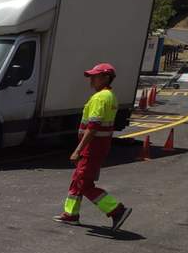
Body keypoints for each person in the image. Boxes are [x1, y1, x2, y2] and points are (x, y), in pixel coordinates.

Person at [54, 63, 131, 231]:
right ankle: (71, 214)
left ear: (106, 78)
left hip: (92, 146)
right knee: (78, 179)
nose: (91, 80)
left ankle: (117, 210)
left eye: (95, 77)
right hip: (99, 146)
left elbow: (93, 127)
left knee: (83, 183)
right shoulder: (110, 96)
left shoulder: (100, 98)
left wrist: (78, 150)